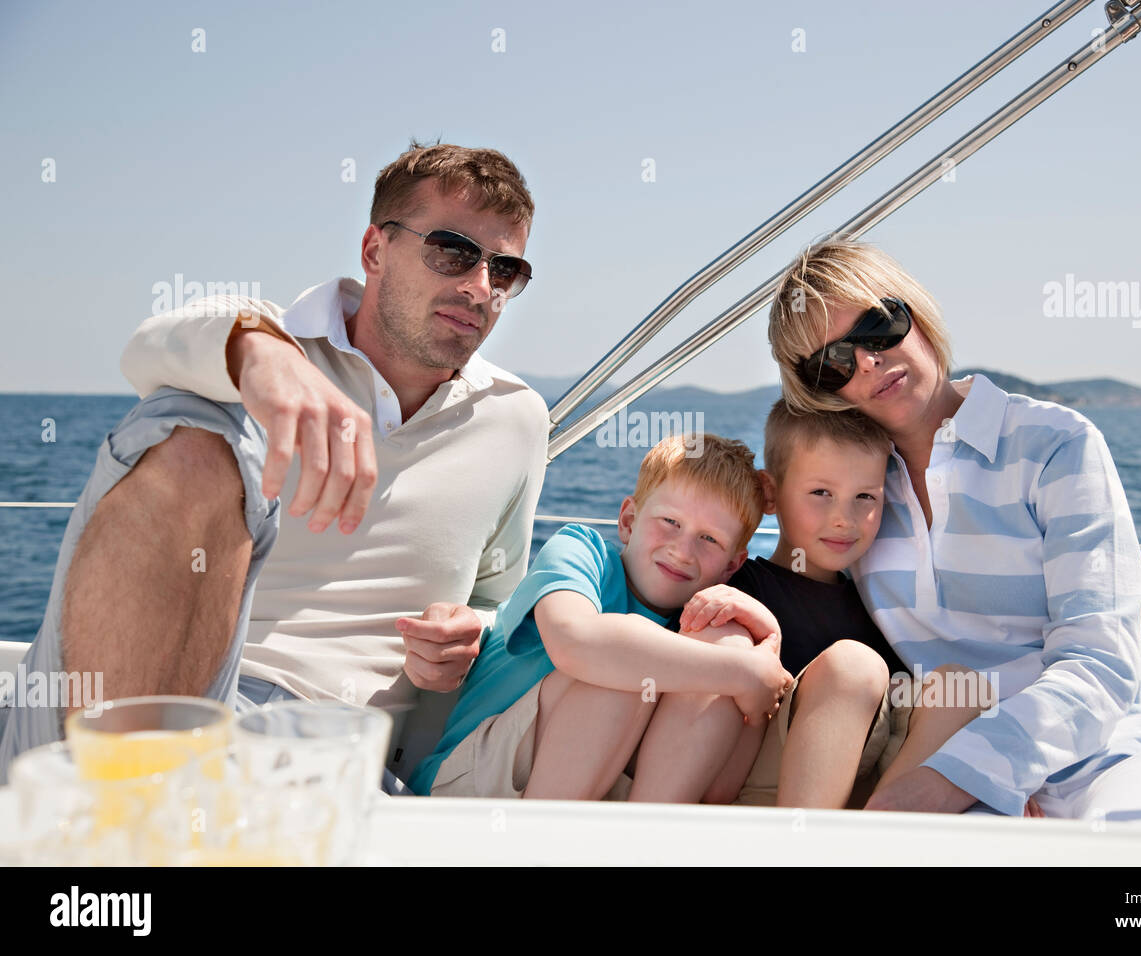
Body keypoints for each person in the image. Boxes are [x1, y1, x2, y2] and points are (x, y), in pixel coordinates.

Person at [0, 142, 550, 790]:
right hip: (130, 718)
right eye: (453, 251)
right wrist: (256, 354)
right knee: (189, 432)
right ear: (375, 250)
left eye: (505, 269)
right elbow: (147, 350)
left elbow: (495, 593)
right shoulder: (263, 354)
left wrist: (470, 631)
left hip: (330, 757)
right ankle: (122, 800)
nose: (479, 287)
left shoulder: (516, 420)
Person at [765, 239, 1141, 826]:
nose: (867, 361)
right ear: (820, 388)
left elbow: (1101, 660)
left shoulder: (1054, 443)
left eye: (877, 326)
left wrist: (965, 774)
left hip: (1118, 752)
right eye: (833, 361)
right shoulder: (855, 495)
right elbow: (794, 582)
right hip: (955, 763)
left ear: (914, 313)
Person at [405, 434, 793, 803]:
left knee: (726, 639)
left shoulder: (700, 635)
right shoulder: (580, 552)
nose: (682, 549)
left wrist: (762, 644)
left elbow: (719, 789)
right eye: (670, 522)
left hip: (599, 799)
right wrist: (742, 673)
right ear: (627, 520)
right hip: (470, 784)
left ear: (732, 566)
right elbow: (574, 643)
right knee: (625, 659)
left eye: (709, 539)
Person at [683, 399, 1016, 812]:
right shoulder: (736, 589)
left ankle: (883, 824)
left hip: (864, 782)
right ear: (770, 493)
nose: (844, 518)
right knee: (853, 665)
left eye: (865, 497)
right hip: (764, 783)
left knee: (961, 687)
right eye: (821, 493)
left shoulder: (878, 605)